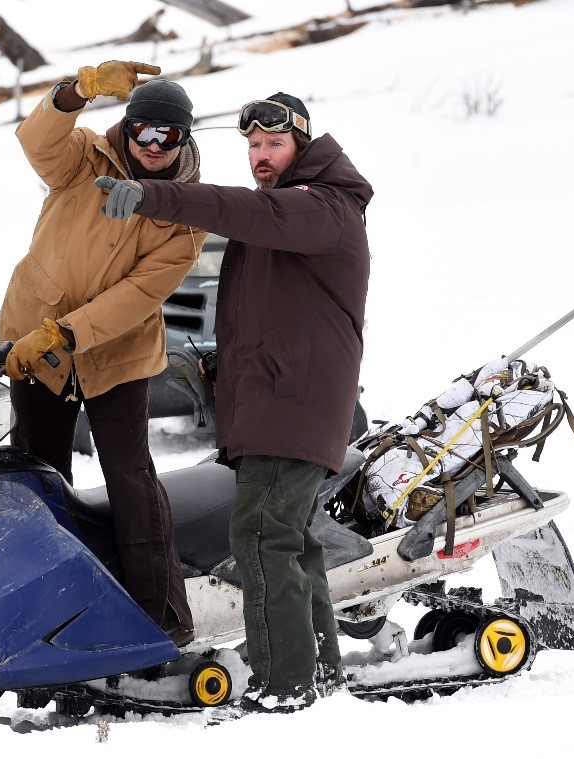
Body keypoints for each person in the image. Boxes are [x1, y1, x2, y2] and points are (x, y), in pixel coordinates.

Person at [96, 93, 372, 712]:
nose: (260, 156)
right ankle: (318, 679)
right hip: (279, 402)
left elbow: (236, 207)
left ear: (303, 143)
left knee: (259, 537)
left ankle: (283, 688)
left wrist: (152, 195)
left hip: (293, 407)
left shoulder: (322, 207)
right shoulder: (295, 215)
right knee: (291, 541)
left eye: (273, 144)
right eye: (252, 145)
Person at [0, 61, 205, 644]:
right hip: (34, 339)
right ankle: (48, 611)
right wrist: (77, 90)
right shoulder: (84, 158)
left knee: (130, 477)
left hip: (118, 350)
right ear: (127, 128)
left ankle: (160, 619)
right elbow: (33, 138)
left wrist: (66, 333)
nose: (153, 144)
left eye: (168, 135)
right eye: (143, 131)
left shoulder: (185, 211)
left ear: (184, 139)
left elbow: (141, 293)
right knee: (38, 473)